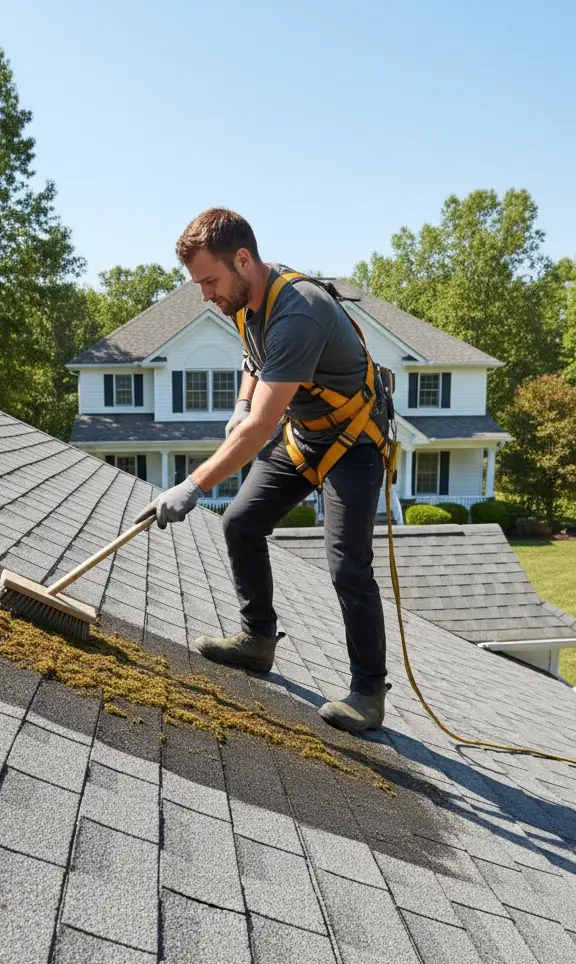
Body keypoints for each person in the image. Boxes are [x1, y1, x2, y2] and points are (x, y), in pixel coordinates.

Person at [137, 208, 389, 735]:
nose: (205, 293)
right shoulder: (246, 299)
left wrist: (192, 485)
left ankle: (368, 693)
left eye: (209, 280)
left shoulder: (299, 312)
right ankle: (257, 640)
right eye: (199, 283)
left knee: (348, 567)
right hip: (305, 438)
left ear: (243, 260)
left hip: (353, 442)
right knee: (241, 523)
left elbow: (259, 430)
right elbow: (255, 360)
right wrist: (240, 401)